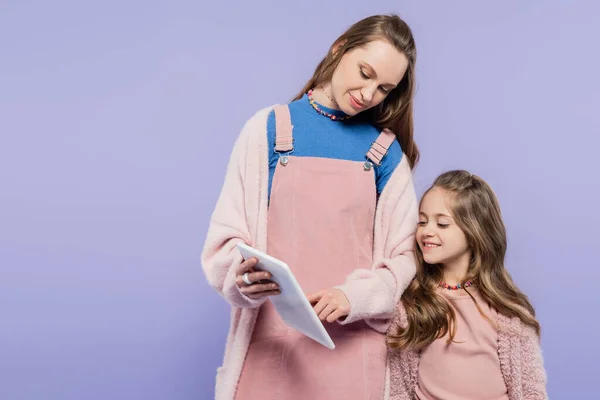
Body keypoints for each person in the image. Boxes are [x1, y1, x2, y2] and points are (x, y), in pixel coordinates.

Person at [202, 14, 419, 400]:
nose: (369, 94)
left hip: (354, 353)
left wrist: (354, 297)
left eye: (384, 88)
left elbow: (403, 259)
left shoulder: (385, 153)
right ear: (339, 49)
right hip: (269, 345)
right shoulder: (266, 129)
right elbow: (225, 241)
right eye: (364, 72)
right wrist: (243, 277)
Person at [387, 170, 548, 400]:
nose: (426, 231)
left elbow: (532, 390)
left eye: (442, 224)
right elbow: (398, 388)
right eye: (422, 221)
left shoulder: (507, 311)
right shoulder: (412, 305)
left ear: (475, 232)